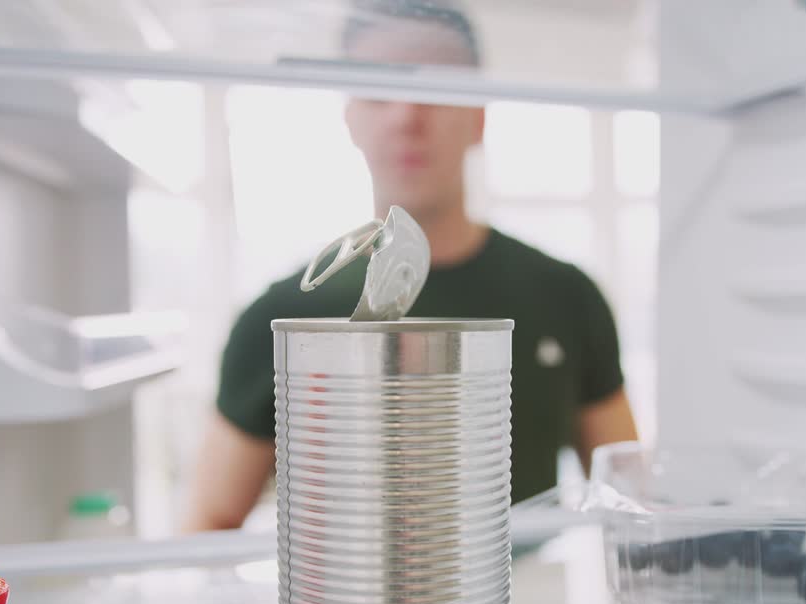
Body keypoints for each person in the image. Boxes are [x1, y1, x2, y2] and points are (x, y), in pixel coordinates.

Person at [183, 0, 637, 532]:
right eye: (378, 90)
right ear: (350, 117)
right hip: (347, 588)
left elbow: (628, 499)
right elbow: (209, 521)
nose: (406, 115)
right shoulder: (279, 319)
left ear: (479, 116)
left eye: (435, 88)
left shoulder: (568, 297)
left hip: (523, 585)